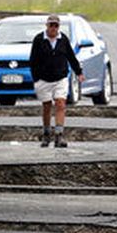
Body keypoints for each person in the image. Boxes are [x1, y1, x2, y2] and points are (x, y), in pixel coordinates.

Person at [29, 14, 84, 148]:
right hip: (43, 79)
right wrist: (36, 78)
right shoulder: (39, 39)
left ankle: (59, 136)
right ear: (47, 26)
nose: (53, 28)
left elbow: (71, 57)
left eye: (56, 25)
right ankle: (46, 133)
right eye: (51, 25)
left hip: (60, 78)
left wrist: (79, 72)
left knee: (60, 104)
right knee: (47, 106)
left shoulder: (63, 39)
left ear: (58, 27)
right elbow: (32, 60)